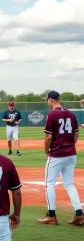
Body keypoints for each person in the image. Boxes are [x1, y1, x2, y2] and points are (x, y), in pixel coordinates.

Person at [38, 90, 84, 226]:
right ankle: (79, 214)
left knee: (49, 183)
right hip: (71, 153)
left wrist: (46, 151)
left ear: (51, 100)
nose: (47, 101)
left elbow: (48, 137)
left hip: (57, 154)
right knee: (69, 184)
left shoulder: (52, 115)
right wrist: (70, 145)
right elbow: (76, 134)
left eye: (47, 99)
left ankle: (51, 215)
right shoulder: (70, 113)